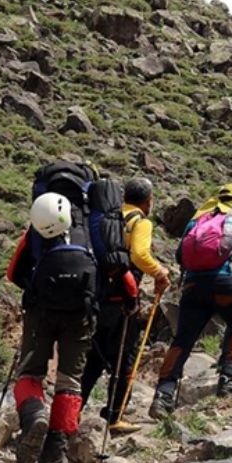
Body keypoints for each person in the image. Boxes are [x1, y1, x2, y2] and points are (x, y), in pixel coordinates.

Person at [6, 162, 129, 463]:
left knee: (30, 372)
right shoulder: (95, 227)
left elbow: (13, 272)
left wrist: (36, 292)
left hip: (41, 311)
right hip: (82, 312)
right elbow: (119, 272)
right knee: (69, 381)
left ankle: (34, 415)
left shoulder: (40, 224)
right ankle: (54, 456)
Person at [149, 184, 232, 419]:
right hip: (225, 285)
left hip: (193, 286)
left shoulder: (198, 219)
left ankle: (163, 395)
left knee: (183, 339)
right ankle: (229, 382)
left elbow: (181, 255)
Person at [79, 178, 170, 434]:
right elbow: (140, 255)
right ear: (147, 200)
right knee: (125, 357)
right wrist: (160, 273)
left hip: (100, 297)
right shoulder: (140, 222)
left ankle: (74, 410)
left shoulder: (109, 219)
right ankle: (115, 415)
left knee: (94, 359)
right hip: (124, 298)